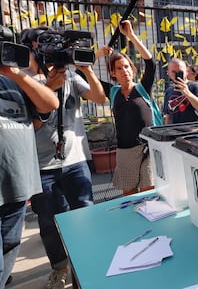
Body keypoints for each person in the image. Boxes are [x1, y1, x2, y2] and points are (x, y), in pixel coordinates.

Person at [20, 26, 106, 289]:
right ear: (31, 49)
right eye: (42, 45)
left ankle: (87, 268)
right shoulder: (23, 79)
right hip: (41, 166)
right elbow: (28, 125)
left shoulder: (71, 76)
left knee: (85, 216)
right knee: (48, 223)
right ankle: (60, 268)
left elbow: (100, 98)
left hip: (75, 162)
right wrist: (47, 88)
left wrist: (87, 69)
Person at [0, 61, 59, 287]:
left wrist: (16, 74)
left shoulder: (15, 81)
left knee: (8, 253)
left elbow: (50, 103)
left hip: (16, 186)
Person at [105, 20, 157, 196]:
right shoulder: (112, 92)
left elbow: (151, 64)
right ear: (112, 73)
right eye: (118, 68)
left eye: (126, 67)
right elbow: (83, 74)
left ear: (132, 69)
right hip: (125, 150)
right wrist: (98, 55)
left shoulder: (142, 88)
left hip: (148, 147)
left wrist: (131, 36)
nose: (124, 71)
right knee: (129, 195)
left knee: (149, 192)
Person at [163, 58, 198, 124]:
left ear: (186, 72)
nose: (176, 74)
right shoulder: (168, 91)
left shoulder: (196, 86)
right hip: (177, 131)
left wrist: (187, 93)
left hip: (196, 130)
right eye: (173, 72)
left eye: (180, 72)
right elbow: (168, 116)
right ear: (168, 73)